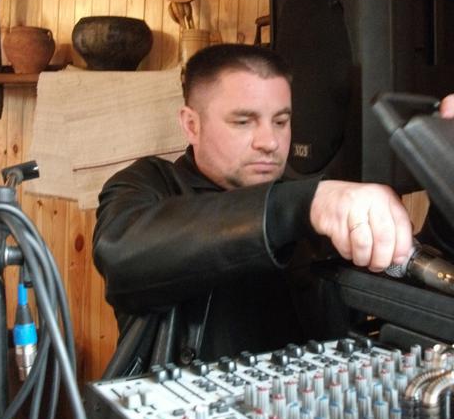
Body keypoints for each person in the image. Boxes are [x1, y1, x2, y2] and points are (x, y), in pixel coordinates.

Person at [92, 43, 454, 366]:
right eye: (243, 121)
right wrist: (303, 205)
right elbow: (123, 256)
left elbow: (410, 303)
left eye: (281, 121)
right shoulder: (147, 183)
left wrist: (447, 198)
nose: (269, 141)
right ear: (191, 125)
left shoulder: (311, 203)